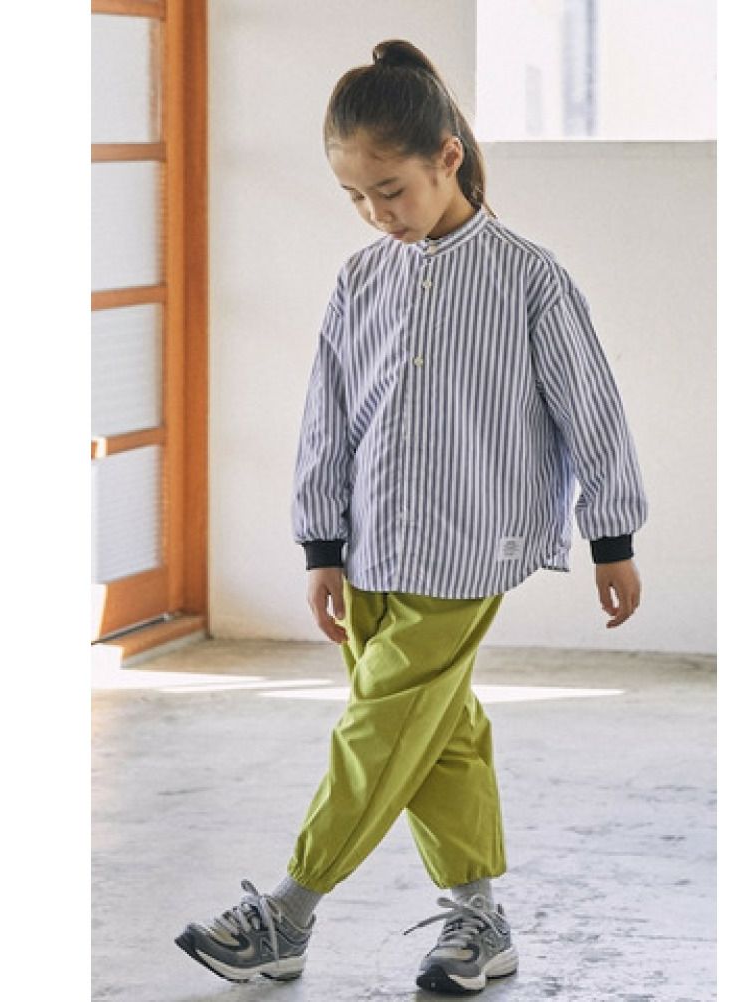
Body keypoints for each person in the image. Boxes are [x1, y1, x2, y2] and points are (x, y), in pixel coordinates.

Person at [175, 37, 648, 995]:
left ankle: (289, 910)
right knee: (440, 731)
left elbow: (592, 408)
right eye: (355, 197)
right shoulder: (361, 278)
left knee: (380, 729)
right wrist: (320, 545)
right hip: (369, 548)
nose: (375, 213)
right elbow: (328, 416)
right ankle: (480, 921)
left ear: (448, 157)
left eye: (389, 190)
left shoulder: (527, 276)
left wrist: (613, 537)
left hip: (472, 545)